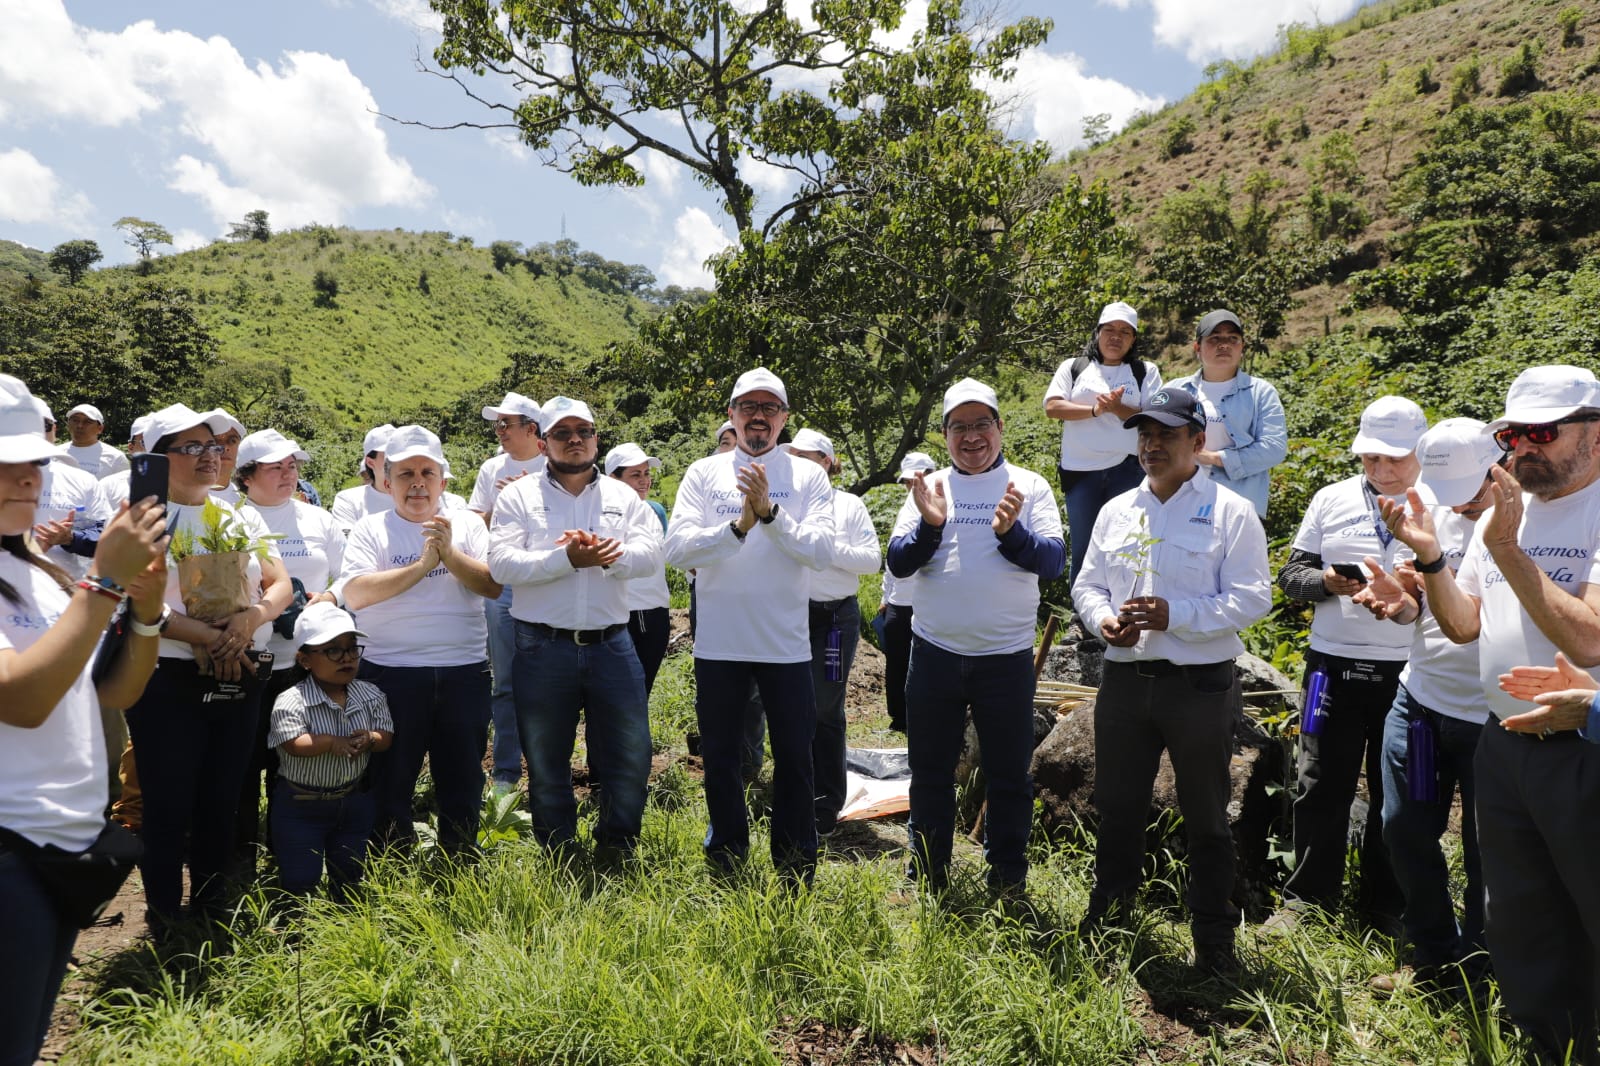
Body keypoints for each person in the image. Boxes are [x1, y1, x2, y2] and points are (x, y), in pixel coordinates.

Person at [1382, 366, 1600, 1064]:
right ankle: (1549, 1047)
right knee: (1521, 917)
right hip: (1502, 745)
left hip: (1583, 748)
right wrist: (1433, 559)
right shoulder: (1510, 508)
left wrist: (1506, 548)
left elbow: (1590, 638)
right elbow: (1465, 626)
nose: (1524, 447)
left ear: (1594, 433)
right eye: (1513, 433)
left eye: (1544, 431)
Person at [1073, 387, 1270, 976]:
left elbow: (1252, 596)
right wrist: (1104, 620)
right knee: (1117, 806)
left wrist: (1177, 616)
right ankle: (1109, 918)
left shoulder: (1231, 512)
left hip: (1200, 686)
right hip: (1126, 683)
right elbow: (1087, 584)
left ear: (1198, 442)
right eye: (1144, 434)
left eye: (1166, 434)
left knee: (1206, 813)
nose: (1152, 445)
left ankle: (1213, 938)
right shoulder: (1116, 510)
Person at [0, 378, 167, 1066]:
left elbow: (113, 692)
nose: (24, 479)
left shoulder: (39, 570)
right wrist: (102, 582)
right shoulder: (71, 577)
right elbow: (23, 699)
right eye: (3, 464)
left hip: (61, 851)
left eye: (32, 462)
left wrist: (149, 611)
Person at [120, 403, 293, 931]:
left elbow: (280, 583)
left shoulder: (240, 513)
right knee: (169, 801)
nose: (208, 457)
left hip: (239, 669)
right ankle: (165, 915)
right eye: (190, 447)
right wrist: (213, 637)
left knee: (222, 796)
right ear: (156, 457)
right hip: (166, 676)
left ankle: (215, 907)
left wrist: (251, 619)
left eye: (214, 446)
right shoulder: (140, 518)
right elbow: (133, 602)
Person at [888, 377, 1065, 895]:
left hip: (1004, 658)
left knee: (1010, 775)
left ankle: (1007, 876)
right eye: (959, 426)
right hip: (935, 653)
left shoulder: (1029, 485)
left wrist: (1013, 535)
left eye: (981, 423)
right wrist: (930, 526)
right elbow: (897, 563)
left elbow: (1053, 561)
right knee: (930, 771)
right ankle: (928, 874)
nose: (971, 436)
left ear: (1000, 427)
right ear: (944, 435)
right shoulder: (929, 486)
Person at [665, 368, 835, 882]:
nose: (758, 417)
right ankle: (727, 857)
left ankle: (794, 863)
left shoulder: (809, 477)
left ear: (784, 419)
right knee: (721, 757)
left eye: (769, 408)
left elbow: (822, 552)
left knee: (794, 758)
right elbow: (676, 550)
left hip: (785, 646)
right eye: (748, 407)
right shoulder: (703, 474)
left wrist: (770, 514)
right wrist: (738, 525)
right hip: (719, 644)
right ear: (732, 415)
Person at [1349, 418, 1500, 995]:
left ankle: (1485, 966)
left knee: (1489, 851)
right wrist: (1402, 602)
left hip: (1492, 717)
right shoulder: (1427, 509)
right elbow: (1428, 613)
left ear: (1498, 464)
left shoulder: (1518, 521)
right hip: (1423, 703)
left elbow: (1477, 620)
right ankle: (1433, 953)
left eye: (1472, 488)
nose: (1460, 502)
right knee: (1405, 829)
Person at [1268, 395, 1425, 934]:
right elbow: (1291, 575)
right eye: (1370, 458)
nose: (1381, 469)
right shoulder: (1331, 498)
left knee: (1399, 794)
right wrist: (1325, 584)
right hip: (1327, 668)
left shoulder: (1440, 505)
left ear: (1420, 451)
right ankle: (1307, 903)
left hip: (1408, 675)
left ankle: (1389, 908)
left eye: (1394, 459)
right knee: (1317, 781)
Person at [490, 398, 662, 859]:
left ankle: (618, 844)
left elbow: (651, 554)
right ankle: (558, 847)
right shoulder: (518, 496)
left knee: (630, 753)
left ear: (596, 439)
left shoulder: (624, 497)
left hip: (612, 643)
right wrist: (564, 558)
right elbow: (502, 563)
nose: (574, 440)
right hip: (542, 646)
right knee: (546, 759)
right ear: (544, 442)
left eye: (583, 431)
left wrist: (609, 554)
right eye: (562, 433)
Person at [341, 425, 501, 856]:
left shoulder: (465, 524)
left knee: (463, 774)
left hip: (463, 670)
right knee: (389, 775)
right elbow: (356, 591)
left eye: (428, 473)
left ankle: (459, 855)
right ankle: (388, 858)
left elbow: (491, 586)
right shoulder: (371, 529)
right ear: (387, 481)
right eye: (406, 473)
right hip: (389, 672)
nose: (418, 484)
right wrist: (421, 565)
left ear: (444, 481)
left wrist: (449, 554)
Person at [232, 429, 347, 867]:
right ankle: (239, 859)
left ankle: (292, 858)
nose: (287, 473)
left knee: (297, 767)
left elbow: (345, 576)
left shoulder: (318, 519)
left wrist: (329, 597)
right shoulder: (231, 518)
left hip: (307, 665)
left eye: (292, 465)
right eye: (275, 467)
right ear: (245, 476)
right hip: (252, 660)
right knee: (243, 767)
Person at [786, 428, 881, 835]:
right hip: (786, 614)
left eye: (807, 457)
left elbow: (871, 560)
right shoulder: (783, 501)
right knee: (788, 705)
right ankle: (792, 791)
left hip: (833, 619)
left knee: (825, 706)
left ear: (827, 462)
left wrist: (824, 549)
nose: (798, 465)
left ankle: (826, 801)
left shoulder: (848, 505)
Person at [267, 602, 393, 901]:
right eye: (333, 650)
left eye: (351, 648)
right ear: (304, 659)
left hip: (352, 800)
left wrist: (371, 738)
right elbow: (292, 744)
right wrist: (329, 742)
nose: (346, 657)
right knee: (301, 875)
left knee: (350, 869)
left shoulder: (370, 694)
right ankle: (297, 924)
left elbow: (386, 737)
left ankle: (344, 918)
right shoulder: (291, 700)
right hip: (300, 804)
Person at [1043, 301, 1162, 591]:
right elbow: (1053, 407)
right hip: (1080, 472)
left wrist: (1119, 408)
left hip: (1129, 469)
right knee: (1085, 545)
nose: (1116, 337)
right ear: (1098, 333)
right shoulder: (1074, 368)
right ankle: (1081, 617)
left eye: (1125, 332)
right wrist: (1096, 410)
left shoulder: (1144, 371)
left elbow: (1156, 419)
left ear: (1133, 339)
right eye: (1109, 329)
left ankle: (1123, 608)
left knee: (1128, 542)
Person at [470, 392, 547, 793]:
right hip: (501, 586)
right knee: (504, 681)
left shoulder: (555, 466)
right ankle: (505, 772)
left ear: (532, 430)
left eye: (506, 424)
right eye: (497, 424)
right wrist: (502, 503)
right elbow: (475, 523)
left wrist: (528, 497)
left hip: (546, 584)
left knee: (548, 681)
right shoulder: (491, 469)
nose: (499, 431)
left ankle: (545, 771)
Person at [1164, 309, 1287, 518]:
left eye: (1233, 338)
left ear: (1242, 348)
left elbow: (1274, 448)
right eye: (1214, 338)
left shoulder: (1261, 392)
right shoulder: (1175, 391)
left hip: (1240, 502)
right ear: (1197, 348)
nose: (1224, 345)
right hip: (1180, 496)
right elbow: (1156, 439)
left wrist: (1214, 458)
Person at [605, 441, 672, 695]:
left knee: (640, 692)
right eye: (635, 475)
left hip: (654, 612)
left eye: (646, 474)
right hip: (623, 612)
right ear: (613, 479)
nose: (644, 481)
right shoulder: (602, 513)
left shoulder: (653, 510)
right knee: (620, 694)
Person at [877, 452, 935, 733]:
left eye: (917, 480)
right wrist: (885, 597)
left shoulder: (940, 507)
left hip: (926, 600)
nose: (912, 487)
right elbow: (892, 560)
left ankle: (923, 717)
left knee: (925, 663)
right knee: (897, 662)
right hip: (899, 601)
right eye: (908, 482)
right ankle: (899, 717)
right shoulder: (905, 510)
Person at [331, 424, 398, 536]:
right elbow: (350, 547)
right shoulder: (349, 500)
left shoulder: (428, 496)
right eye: (389, 455)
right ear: (370, 462)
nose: (397, 460)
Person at [63, 402, 130, 480]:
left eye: (87, 422)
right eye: (75, 420)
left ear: (100, 428)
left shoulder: (115, 458)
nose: (80, 426)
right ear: (68, 424)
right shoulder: (55, 454)